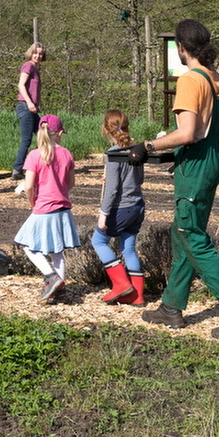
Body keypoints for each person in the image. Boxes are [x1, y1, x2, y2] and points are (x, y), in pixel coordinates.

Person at [133, 19, 219, 339]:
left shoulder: (191, 79)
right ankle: (172, 306)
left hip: (194, 165)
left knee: (191, 236)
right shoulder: (216, 78)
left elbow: (188, 133)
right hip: (212, 158)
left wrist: (147, 146)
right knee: (184, 234)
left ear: (180, 47)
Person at [13, 114, 80, 301]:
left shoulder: (34, 155)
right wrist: (60, 192)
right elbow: (71, 182)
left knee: (26, 244)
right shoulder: (66, 153)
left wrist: (32, 201)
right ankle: (62, 292)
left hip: (43, 207)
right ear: (58, 133)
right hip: (63, 209)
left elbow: (28, 186)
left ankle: (51, 278)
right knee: (57, 251)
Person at [91, 109, 146, 306]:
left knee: (98, 241)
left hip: (121, 208)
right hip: (138, 206)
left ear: (105, 130)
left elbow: (113, 189)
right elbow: (139, 179)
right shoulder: (137, 149)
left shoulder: (113, 154)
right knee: (128, 249)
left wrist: (103, 213)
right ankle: (137, 296)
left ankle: (121, 284)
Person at [12, 43, 45, 181]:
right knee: (27, 140)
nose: (38, 56)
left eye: (41, 54)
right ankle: (17, 170)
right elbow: (21, 85)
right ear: (30, 53)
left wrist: (35, 105)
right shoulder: (28, 66)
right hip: (25, 107)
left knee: (44, 135)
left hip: (31, 108)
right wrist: (30, 103)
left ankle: (45, 164)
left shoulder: (35, 68)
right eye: (35, 53)